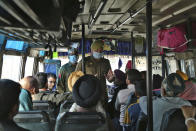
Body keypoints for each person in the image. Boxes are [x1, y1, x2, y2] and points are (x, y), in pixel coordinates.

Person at [75, 40, 112, 106]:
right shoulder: (84, 61)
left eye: (101, 51)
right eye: (97, 50)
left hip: (102, 95)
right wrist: (90, 79)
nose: (99, 52)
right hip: (88, 94)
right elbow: (76, 78)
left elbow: (110, 78)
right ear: (92, 51)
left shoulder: (106, 62)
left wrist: (111, 78)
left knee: (103, 115)